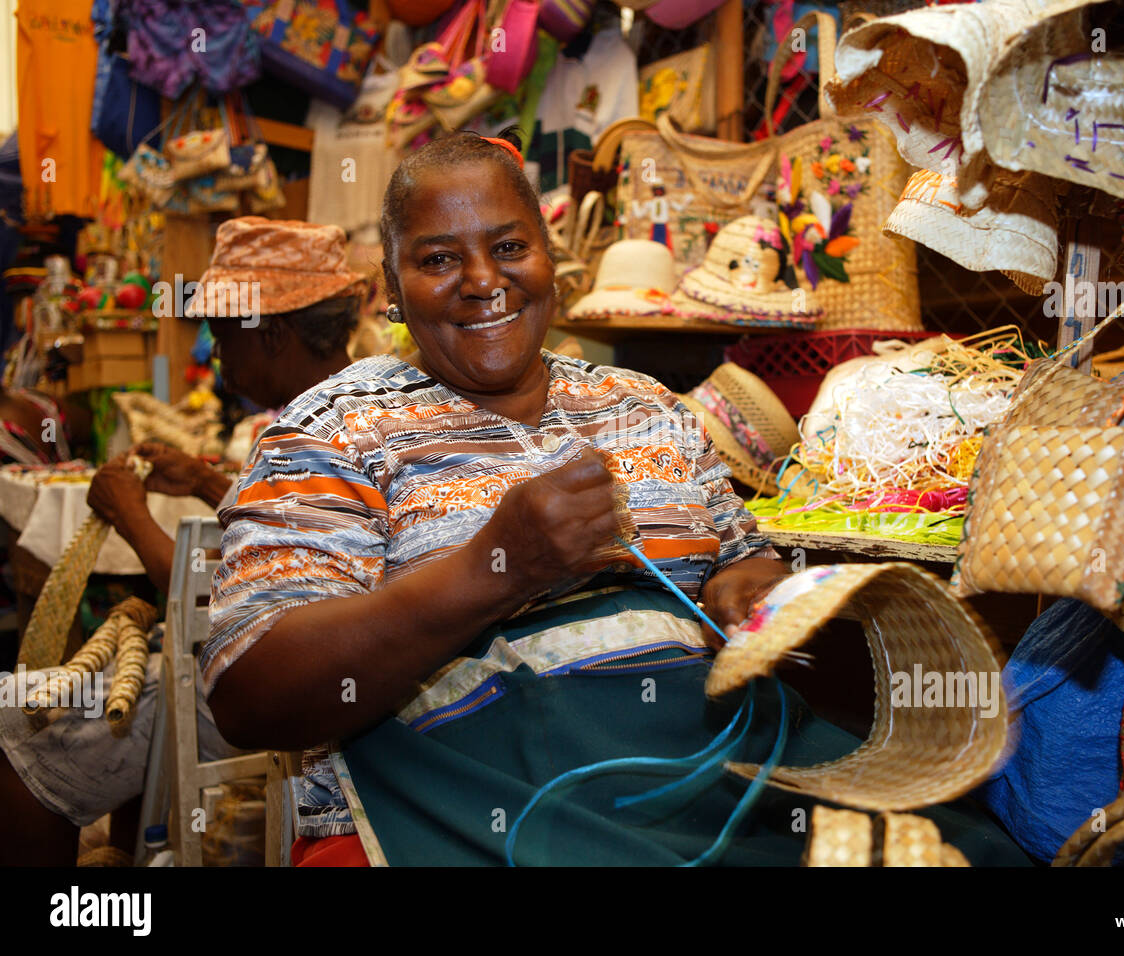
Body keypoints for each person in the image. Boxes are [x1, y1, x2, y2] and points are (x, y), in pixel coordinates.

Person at [204, 132, 1029, 867]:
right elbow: (252, 691)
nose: (483, 281)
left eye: (507, 246)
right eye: (438, 259)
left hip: (709, 758)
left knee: (959, 845)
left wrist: (747, 597)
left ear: (550, 255)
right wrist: (496, 568)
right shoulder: (333, 429)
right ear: (393, 284)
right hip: (479, 788)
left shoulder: (644, 406)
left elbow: (741, 562)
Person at [0, 217, 365, 866]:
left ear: (273, 333)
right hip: (319, 681)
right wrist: (203, 479)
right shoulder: (358, 405)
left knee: (17, 726)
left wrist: (131, 514)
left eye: (225, 339)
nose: (217, 358)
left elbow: (210, 614)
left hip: (261, 692)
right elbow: (292, 537)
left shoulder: (298, 438)